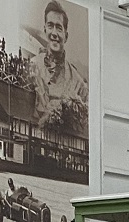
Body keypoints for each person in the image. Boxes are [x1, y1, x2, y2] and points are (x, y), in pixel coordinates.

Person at [29, 1, 88, 135]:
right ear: (45, 30)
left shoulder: (78, 82)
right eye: (50, 26)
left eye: (59, 28)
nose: (54, 33)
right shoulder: (33, 66)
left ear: (66, 36)